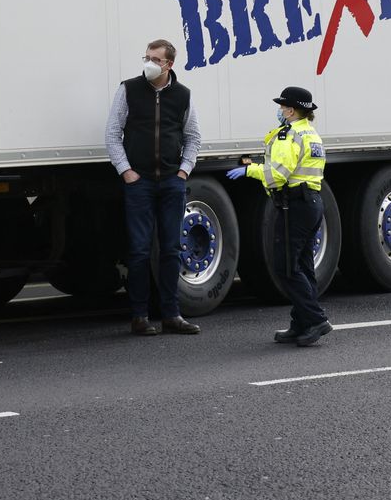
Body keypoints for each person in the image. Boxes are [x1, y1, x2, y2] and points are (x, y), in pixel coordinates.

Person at [104, 39, 202, 336]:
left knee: (171, 249)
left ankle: (171, 315)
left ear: (169, 64)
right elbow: (112, 133)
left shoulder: (182, 95)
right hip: (140, 183)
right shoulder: (129, 89)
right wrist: (127, 172)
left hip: (171, 181)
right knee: (139, 251)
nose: (148, 62)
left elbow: (193, 136)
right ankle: (139, 316)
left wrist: (184, 171)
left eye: (154, 59)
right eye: (146, 57)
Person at [227, 85, 331, 347]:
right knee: (303, 266)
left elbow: (278, 175)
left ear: (292, 110)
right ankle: (301, 323)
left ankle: (316, 319)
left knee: (285, 267)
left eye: (283, 106)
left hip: (294, 205)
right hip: (312, 203)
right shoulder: (311, 134)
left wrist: (250, 170)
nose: (280, 110)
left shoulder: (290, 136)